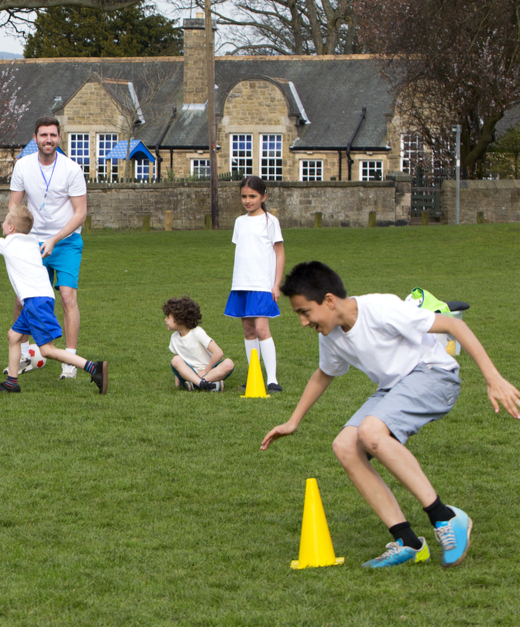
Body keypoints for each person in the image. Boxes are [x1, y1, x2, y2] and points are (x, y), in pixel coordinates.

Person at [261, 261, 520, 568]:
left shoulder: (381, 308)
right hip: (395, 386)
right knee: (345, 446)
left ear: (329, 301)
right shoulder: (329, 335)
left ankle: (446, 518)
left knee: (371, 432)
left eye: (305, 312)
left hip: (435, 375)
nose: (303, 322)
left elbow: (454, 325)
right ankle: (407, 541)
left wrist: (493, 378)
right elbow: (324, 374)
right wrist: (293, 421)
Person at [0, 208, 107, 395]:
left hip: (35, 301)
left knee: (47, 350)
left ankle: (93, 368)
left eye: (4, 221)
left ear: (10, 227)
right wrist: (1, 249)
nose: (1, 224)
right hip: (40, 297)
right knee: (13, 336)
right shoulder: (32, 240)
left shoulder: (8, 244)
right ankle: (11, 383)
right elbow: (19, 253)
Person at [7, 116, 88, 380]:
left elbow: (80, 213)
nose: (48, 140)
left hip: (66, 241)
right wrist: (15, 240)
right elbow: (14, 208)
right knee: (23, 300)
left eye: (53, 135)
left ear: (59, 138)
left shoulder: (72, 169)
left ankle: (71, 360)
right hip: (33, 242)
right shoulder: (22, 166)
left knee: (67, 297)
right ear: (35, 138)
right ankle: (29, 355)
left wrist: (54, 239)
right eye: (43, 135)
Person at [226, 176, 286, 393]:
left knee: (262, 328)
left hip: (262, 284)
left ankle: (272, 379)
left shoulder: (271, 221)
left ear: (263, 197)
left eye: (253, 196)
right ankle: (254, 374)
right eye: (244, 196)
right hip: (241, 283)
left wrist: (276, 284)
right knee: (248, 329)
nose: (248, 200)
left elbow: (280, 254)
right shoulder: (239, 222)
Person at [163, 295, 235, 392]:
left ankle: (196, 384)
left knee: (228, 364)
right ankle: (206, 384)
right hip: (189, 374)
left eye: (168, 317)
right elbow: (178, 364)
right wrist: (177, 386)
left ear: (179, 319)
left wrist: (206, 370)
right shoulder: (174, 338)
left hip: (209, 371)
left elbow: (218, 353)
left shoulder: (197, 332)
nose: (165, 320)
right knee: (175, 360)